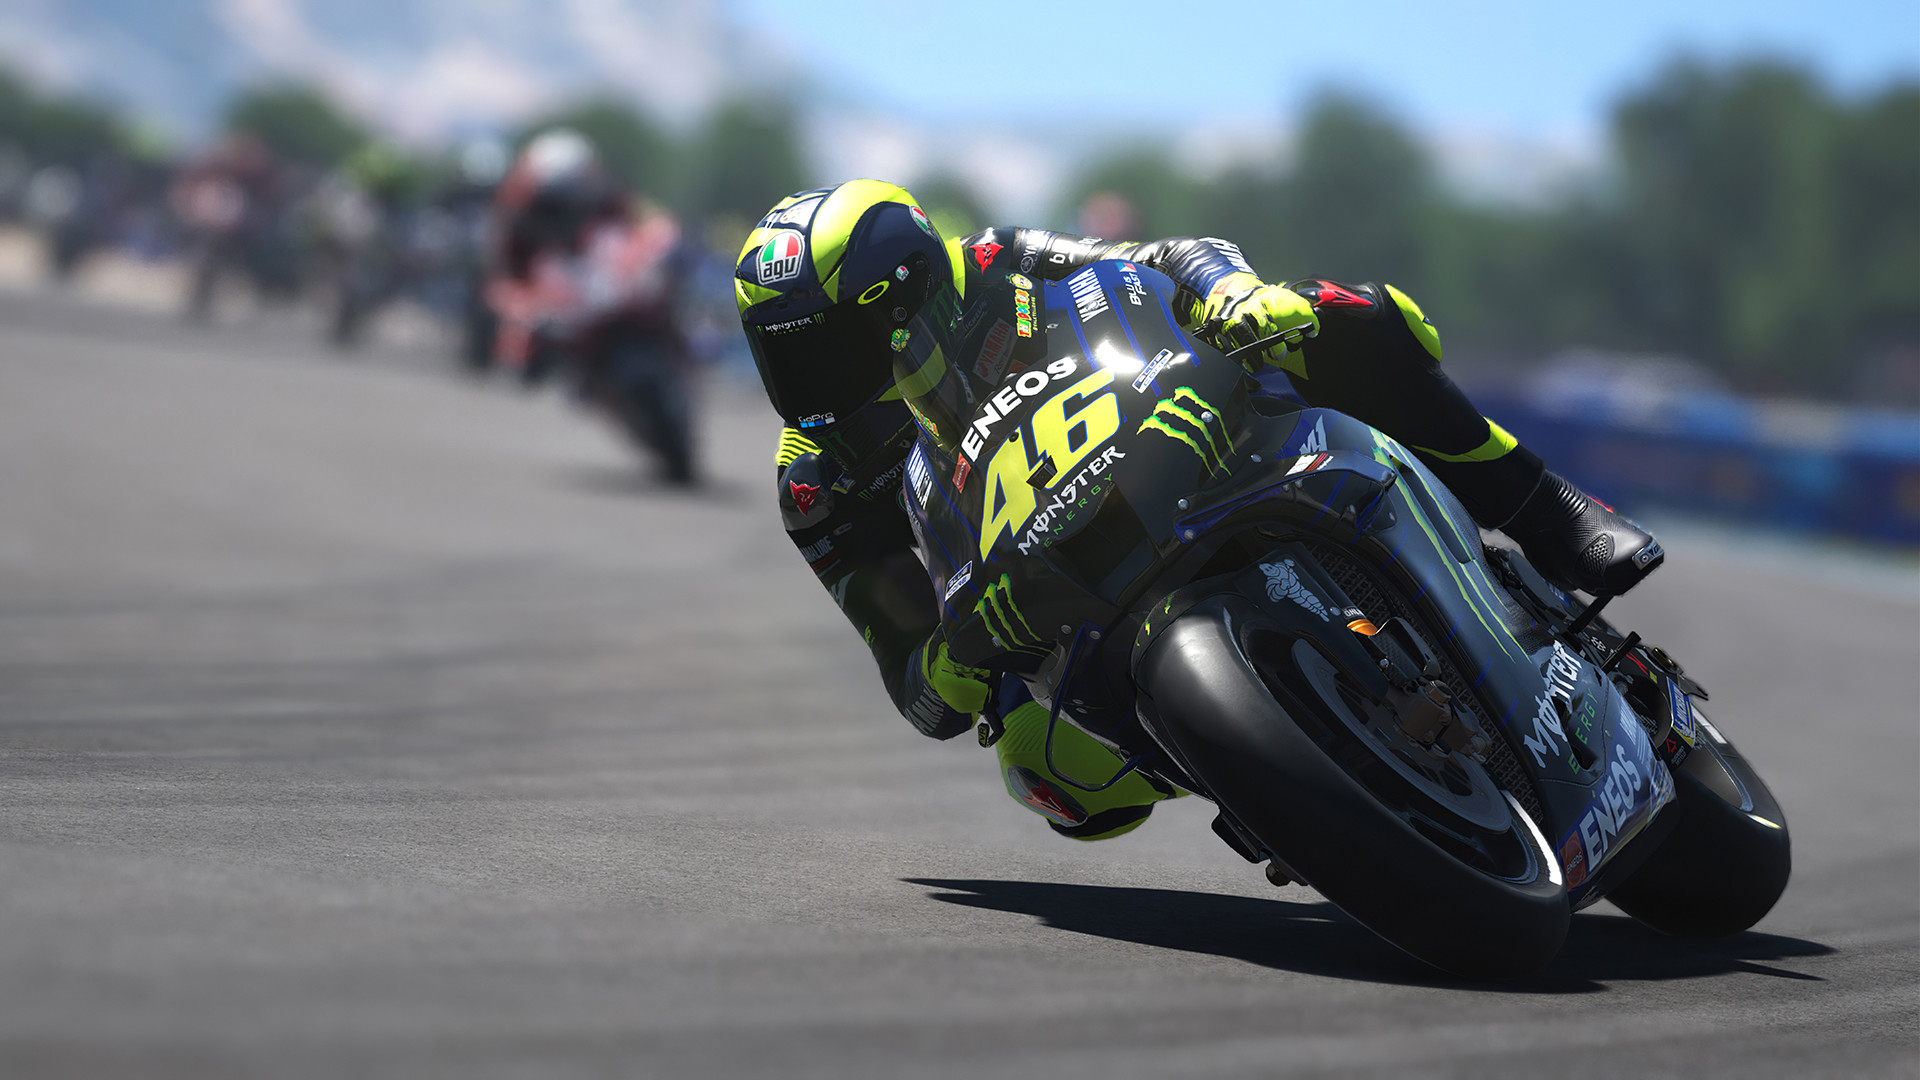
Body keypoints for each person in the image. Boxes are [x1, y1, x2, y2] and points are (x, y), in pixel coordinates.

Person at [735, 180, 1663, 841]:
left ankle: (1552, 514)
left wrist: (1234, 298)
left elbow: (1166, 259)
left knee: (1343, 317)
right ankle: (1274, 775)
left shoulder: (995, 265)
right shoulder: (817, 485)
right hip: (1037, 591)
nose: (809, 388)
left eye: (828, 350)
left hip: (1164, 444)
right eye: (785, 359)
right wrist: (964, 655)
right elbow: (918, 693)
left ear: (904, 298)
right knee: (1054, 776)